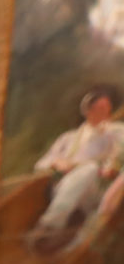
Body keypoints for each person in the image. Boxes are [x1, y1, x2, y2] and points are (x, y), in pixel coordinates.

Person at [28, 84, 124, 254]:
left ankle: (50, 225)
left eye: (107, 109)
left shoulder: (115, 133)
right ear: (87, 110)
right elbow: (41, 165)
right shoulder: (68, 137)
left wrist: (111, 133)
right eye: (99, 108)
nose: (104, 113)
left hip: (93, 194)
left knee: (90, 169)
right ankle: (49, 229)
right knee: (83, 171)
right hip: (61, 190)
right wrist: (57, 163)